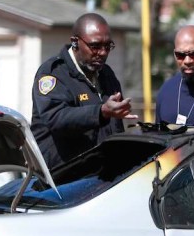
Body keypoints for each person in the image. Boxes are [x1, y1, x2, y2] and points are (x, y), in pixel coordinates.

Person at [31, 13, 134, 167]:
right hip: (62, 177)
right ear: (75, 42)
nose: (103, 52)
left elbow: (115, 127)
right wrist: (101, 112)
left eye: (107, 46)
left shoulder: (107, 74)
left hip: (101, 174)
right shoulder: (52, 74)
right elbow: (56, 118)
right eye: (95, 46)